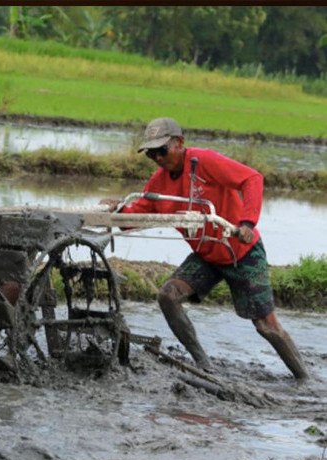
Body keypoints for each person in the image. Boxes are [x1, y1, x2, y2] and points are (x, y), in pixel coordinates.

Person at [102, 117, 308, 380]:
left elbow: (252, 178)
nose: (158, 158)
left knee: (266, 326)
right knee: (167, 296)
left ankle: (304, 379)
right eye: (151, 153)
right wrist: (118, 211)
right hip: (207, 255)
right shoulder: (158, 183)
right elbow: (136, 218)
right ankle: (203, 364)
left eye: (162, 150)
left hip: (241, 251)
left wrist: (247, 222)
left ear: (179, 143)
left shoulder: (205, 161)